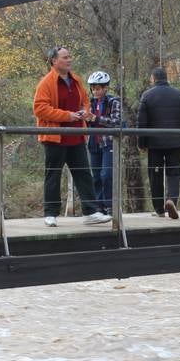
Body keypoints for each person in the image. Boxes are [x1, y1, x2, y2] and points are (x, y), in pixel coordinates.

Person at [32, 46, 110, 228]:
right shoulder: (46, 83)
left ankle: (91, 212)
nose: (69, 60)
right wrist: (67, 115)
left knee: (83, 174)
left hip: (76, 136)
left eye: (69, 57)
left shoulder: (76, 80)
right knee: (53, 175)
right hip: (54, 138)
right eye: (65, 57)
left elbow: (85, 100)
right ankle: (50, 214)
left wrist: (85, 111)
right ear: (54, 61)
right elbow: (40, 108)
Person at [136, 66, 180, 219]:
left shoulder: (147, 96)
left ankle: (159, 209)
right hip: (175, 141)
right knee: (174, 172)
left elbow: (142, 123)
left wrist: (141, 143)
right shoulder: (179, 95)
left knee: (156, 175)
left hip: (154, 143)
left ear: (153, 78)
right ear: (166, 78)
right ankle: (171, 199)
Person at [85, 70, 123, 215]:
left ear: (105, 88)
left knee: (106, 175)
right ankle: (98, 206)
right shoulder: (89, 103)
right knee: (95, 176)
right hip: (93, 143)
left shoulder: (114, 102)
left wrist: (97, 119)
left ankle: (109, 205)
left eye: (98, 88)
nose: (95, 91)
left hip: (108, 143)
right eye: (93, 88)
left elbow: (116, 122)